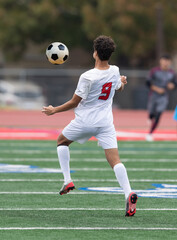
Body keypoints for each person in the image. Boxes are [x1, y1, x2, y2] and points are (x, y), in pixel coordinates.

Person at [42, 35, 138, 217]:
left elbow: (74, 102)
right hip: (105, 123)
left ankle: (68, 180)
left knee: (62, 141)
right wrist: (122, 83)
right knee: (115, 160)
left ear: (95, 53)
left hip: (85, 121)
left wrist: (54, 110)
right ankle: (129, 192)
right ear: (110, 54)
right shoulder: (115, 70)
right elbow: (117, 87)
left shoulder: (87, 76)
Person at [146, 54, 177, 141]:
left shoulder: (172, 73)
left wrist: (172, 86)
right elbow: (148, 82)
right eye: (164, 60)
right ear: (160, 61)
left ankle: (150, 133)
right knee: (152, 113)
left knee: (159, 113)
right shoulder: (154, 71)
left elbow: (175, 84)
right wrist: (156, 89)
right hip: (153, 95)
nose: (165, 63)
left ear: (170, 62)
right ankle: (150, 116)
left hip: (164, 97)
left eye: (167, 61)